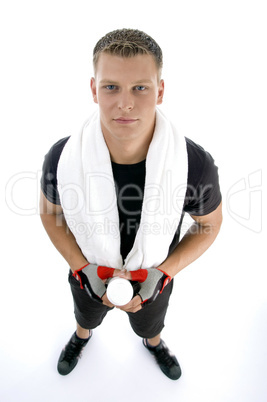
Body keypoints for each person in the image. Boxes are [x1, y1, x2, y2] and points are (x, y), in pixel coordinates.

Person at [40, 28, 222, 380]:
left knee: (149, 325)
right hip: (88, 273)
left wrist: (164, 272)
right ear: (93, 89)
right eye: (111, 87)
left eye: (140, 87)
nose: (125, 103)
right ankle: (82, 337)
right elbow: (51, 213)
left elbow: (210, 224)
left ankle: (153, 342)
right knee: (85, 316)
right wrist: (83, 269)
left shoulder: (193, 164)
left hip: (154, 277)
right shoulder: (63, 157)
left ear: (161, 90)